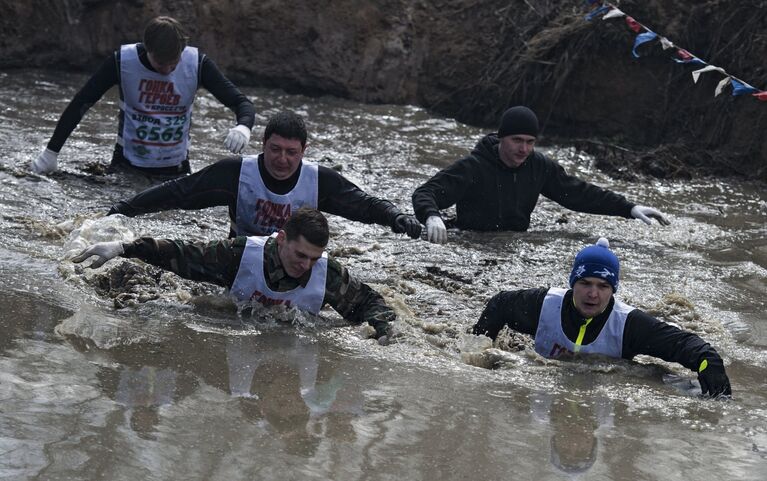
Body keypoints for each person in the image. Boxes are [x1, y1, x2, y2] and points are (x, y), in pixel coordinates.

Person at [72, 208, 396, 343]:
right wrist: (124, 248)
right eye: (300, 255)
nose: (306, 265)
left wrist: (383, 329)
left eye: (314, 258)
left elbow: (369, 302)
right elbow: (185, 253)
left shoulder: (328, 274)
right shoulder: (242, 253)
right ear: (282, 239)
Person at [471, 237, 732, 398]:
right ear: (573, 283)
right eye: (585, 283)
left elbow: (689, 347)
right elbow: (500, 303)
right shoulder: (541, 304)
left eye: (603, 286)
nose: (592, 294)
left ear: (613, 290)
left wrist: (709, 367)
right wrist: (479, 348)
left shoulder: (629, 324)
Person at [107, 111, 422, 239]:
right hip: (241, 257)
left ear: (304, 151)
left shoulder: (318, 180)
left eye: (291, 152)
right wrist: (123, 210)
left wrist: (396, 217)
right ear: (263, 144)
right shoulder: (236, 173)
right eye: (275, 149)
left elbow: (364, 205)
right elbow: (179, 192)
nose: (282, 159)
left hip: (296, 265)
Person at [32, 16, 255, 177]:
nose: (168, 70)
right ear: (147, 49)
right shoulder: (122, 62)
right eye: (161, 64)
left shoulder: (197, 64)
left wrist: (243, 126)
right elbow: (82, 103)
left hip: (175, 170)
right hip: (126, 165)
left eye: (173, 63)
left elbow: (241, 102)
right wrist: (51, 153)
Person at [412, 106, 670, 243]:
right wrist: (432, 216)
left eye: (530, 141)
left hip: (515, 243)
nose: (523, 148)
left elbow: (579, 194)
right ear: (501, 138)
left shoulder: (539, 166)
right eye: (517, 140)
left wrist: (629, 207)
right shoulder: (473, 166)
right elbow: (426, 193)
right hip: (471, 242)